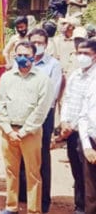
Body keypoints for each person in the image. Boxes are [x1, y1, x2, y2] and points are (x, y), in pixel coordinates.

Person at [0, 41, 52, 214]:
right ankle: (11, 206)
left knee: (33, 173)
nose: (22, 58)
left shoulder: (43, 79)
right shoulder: (6, 77)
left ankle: (33, 210)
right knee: (11, 171)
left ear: (34, 57)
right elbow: (1, 105)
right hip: (8, 131)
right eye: (18, 55)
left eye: (26, 55)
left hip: (30, 133)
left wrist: (23, 131)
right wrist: (9, 130)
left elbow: (41, 110)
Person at [17, 28, 63, 213]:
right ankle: (23, 196)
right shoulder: (20, 61)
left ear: (46, 44)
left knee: (41, 156)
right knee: (20, 153)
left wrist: (35, 114)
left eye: (40, 43)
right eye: (33, 42)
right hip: (21, 115)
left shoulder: (53, 65)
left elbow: (51, 95)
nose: (37, 45)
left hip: (43, 116)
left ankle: (42, 200)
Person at [60, 39, 96, 214]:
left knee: (90, 176)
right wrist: (64, 122)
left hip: (88, 134)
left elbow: (87, 110)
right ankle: (79, 206)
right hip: (72, 132)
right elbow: (66, 100)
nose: (81, 57)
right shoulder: (75, 75)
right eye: (79, 53)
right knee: (77, 170)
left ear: (94, 56)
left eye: (86, 53)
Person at [78, 39, 96, 214]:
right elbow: (83, 116)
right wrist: (87, 146)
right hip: (92, 143)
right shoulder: (92, 82)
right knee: (91, 192)